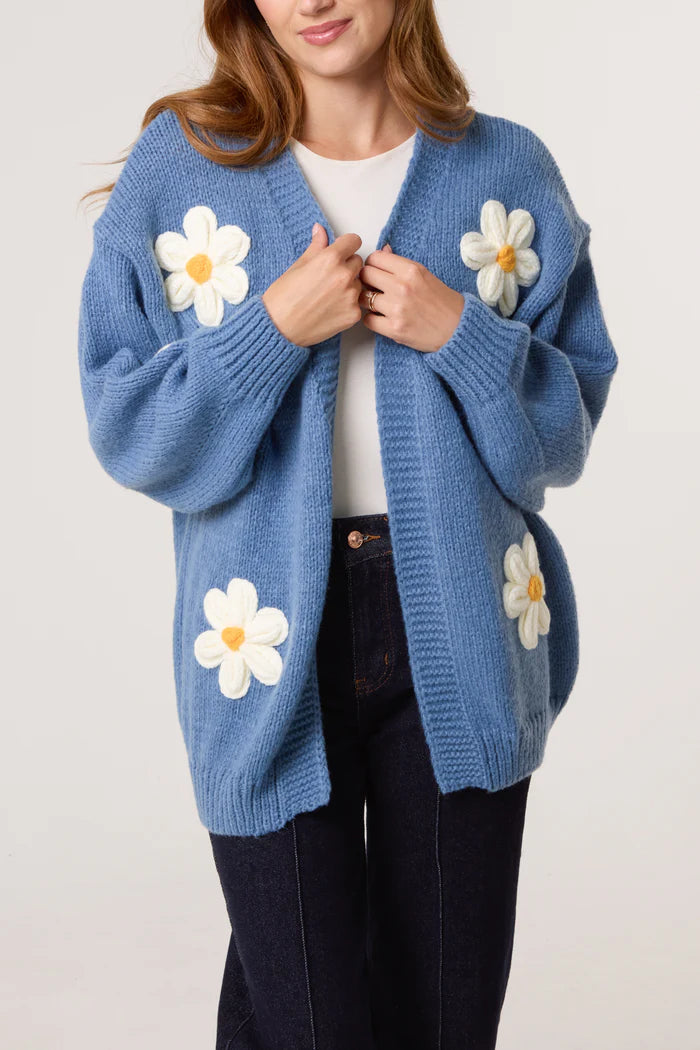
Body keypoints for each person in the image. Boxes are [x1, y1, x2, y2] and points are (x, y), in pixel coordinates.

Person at [77, 1, 619, 1046]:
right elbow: (130, 431)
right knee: (308, 1020)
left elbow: (560, 441)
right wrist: (269, 331)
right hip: (261, 644)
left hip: (462, 634)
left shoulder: (507, 172)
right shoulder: (180, 173)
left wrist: (461, 333)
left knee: (445, 1019)